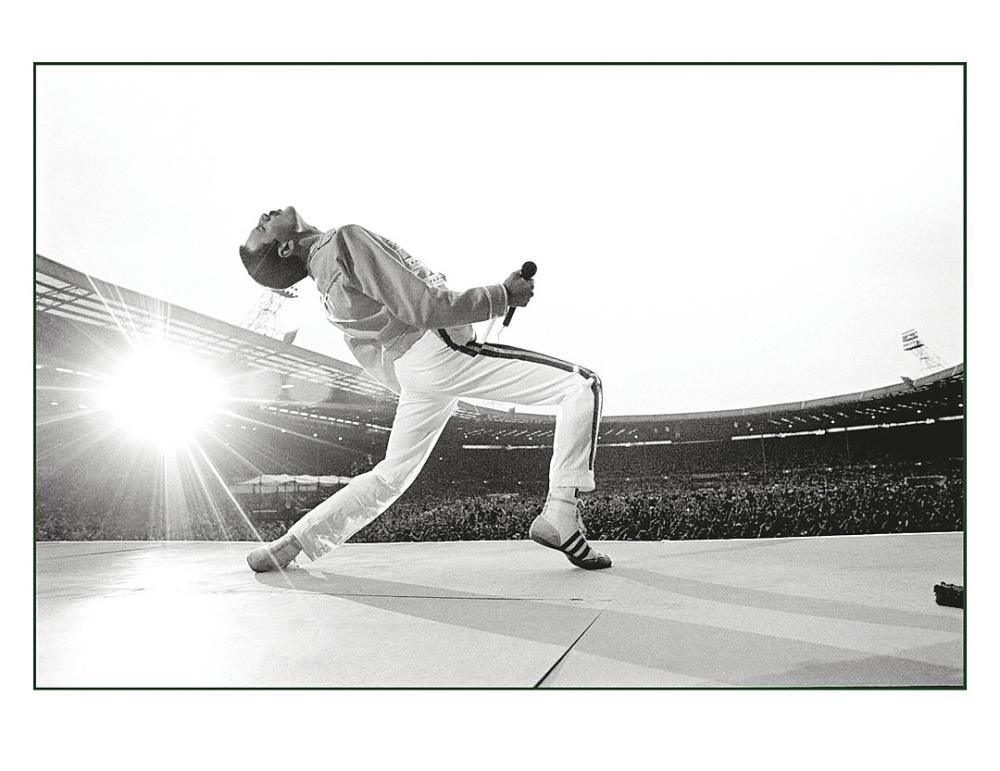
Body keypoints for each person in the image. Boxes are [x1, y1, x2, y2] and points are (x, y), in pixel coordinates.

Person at [239, 207, 610, 571]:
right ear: (286, 249)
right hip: (436, 350)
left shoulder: (324, 286)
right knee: (582, 386)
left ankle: (292, 542)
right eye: (263, 227)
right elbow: (422, 306)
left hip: (413, 371)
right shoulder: (343, 239)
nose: (265, 215)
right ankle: (562, 510)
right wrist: (502, 295)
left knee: (389, 476)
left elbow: (378, 344)